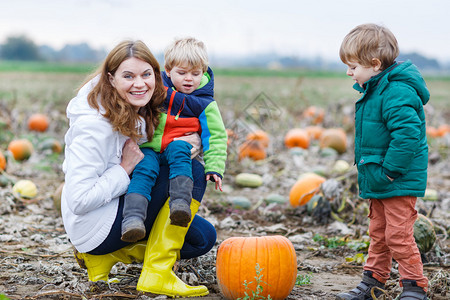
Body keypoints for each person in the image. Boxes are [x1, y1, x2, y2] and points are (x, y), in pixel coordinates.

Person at [61, 40, 215, 298]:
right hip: (94, 223)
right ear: (110, 79)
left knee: (202, 238)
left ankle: (104, 256)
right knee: (193, 170)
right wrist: (124, 168)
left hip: (113, 209)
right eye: (128, 76)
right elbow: (79, 200)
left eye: (146, 74)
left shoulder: (133, 107)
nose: (140, 83)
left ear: (157, 76)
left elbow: (150, 149)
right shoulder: (94, 129)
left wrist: (188, 140)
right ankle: (156, 273)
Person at [336, 24, 430, 300]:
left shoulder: (396, 93)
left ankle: (415, 287)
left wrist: (390, 170)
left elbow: (408, 137)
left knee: (399, 236)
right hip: (379, 177)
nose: (349, 72)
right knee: (378, 234)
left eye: (353, 66)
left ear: (374, 64)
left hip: (397, 179)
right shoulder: (375, 90)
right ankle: (373, 282)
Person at [121, 37, 227, 242]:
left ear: (204, 72)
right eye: (182, 73)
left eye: (196, 74)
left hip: (177, 145)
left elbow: (215, 135)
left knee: (181, 151)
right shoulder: (157, 90)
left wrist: (215, 167)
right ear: (168, 71)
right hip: (150, 147)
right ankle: (133, 219)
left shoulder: (205, 103)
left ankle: (180, 205)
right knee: (144, 168)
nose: (189, 79)